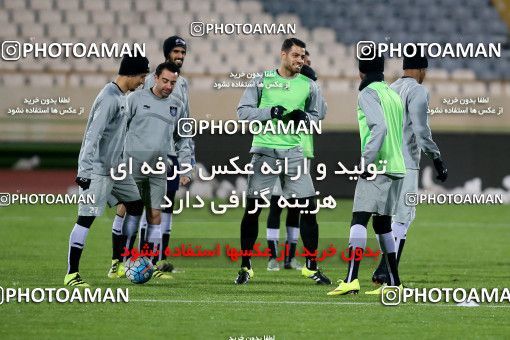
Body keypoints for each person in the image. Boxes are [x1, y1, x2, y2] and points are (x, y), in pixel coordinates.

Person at [235, 38, 330, 285]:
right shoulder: (262, 79)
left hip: (294, 153)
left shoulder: (309, 85)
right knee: (253, 210)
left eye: (303, 56)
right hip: (265, 152)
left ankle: (311, 266)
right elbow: (243, 112)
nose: (300, 60)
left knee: (309, 209)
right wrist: (268, 113)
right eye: (296, 56)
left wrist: (305, 118)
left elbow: (319, 115)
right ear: (283, 55)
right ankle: (245, 266)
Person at [108, 36, 194, 277]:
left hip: (161, 161)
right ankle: (119, 259)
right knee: (127, 209)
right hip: (133, 160)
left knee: (155, 212)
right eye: (176, 51)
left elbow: (183, 131)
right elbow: (121, 127)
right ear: (156, 78)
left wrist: (186, 165)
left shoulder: (180, 92)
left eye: (183, 51)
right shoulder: (139, 91)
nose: (168, 85)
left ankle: (148, 261)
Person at [65, 54, 149, 287]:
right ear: (131, 74)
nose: (143, 82)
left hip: (117, 170)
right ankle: (72, 274)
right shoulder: (109, 98)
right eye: (141, 77)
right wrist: (84, 169)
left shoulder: (122, 96)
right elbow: (93, 135)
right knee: (86, 218)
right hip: (99, 170)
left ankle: (119, 262)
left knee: (135, 204)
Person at [327, 51, 405, 296]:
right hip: (396, 167)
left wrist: (366, 161)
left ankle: (351, 279)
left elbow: (378, 128)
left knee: (359, 219)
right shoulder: (392, 94)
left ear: (361, 71)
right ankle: (394, 283)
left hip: (378, 166)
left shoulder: (367, 94)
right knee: (382, 225)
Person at [371, 52, 448, 285]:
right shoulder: (418, 91)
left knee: (386, 217)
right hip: (405, 163)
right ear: (421, 69)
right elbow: (421, 130)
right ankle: (386, 271)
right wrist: (436, 159)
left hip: (383, 161)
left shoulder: (387, 90)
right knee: (403, 217)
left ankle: (383, 268)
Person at [266, 50, 325, 272]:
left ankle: (290, 258)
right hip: (280, 151)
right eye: (302, 60)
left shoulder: (310, 88)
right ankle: (273, 257)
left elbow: (320, 113)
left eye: (307, 62)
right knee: (276, 204)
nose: (304, 64)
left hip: (303, 153)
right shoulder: (283, 87)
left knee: (296, 208)